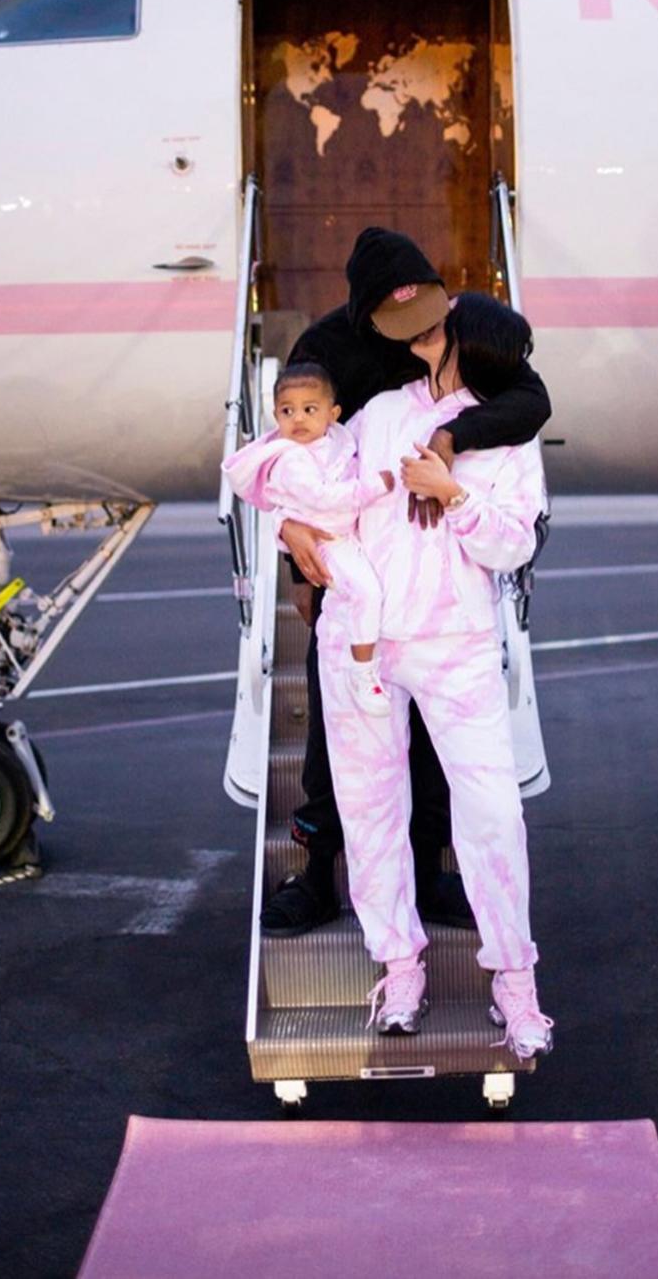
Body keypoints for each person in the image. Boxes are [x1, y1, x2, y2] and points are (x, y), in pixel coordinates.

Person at [264, 227, 551, 938]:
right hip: (353, 572)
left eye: (430, 314)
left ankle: (425, 877)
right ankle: (320, 875)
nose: (423, 332)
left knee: (427, 746)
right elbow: (288, 454)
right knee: (339, 749)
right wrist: (289, 544)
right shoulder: (324, 354)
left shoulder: (456, 325)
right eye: (405, 324)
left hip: (432, 583)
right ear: (364, 313)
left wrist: (456, 436)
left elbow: (530, 396)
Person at [317, 292, 553, 1059]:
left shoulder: (506, 433)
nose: (427, 330)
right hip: (364, 642)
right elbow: (317, 489)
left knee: (491, 812)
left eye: (444, 326)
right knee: (370, 808)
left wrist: (452, 494)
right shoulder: (379, 413)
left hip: (458, 641)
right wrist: (296, 530)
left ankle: (515, 980)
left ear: (467, 342)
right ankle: (399, 963)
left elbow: (514, 545)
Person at [221, 362, 395, 715]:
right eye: (288, 411)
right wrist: (375, 486)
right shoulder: (290, 459)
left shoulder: (336, 441)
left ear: (333, 414)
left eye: (309, 409)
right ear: (275, 415)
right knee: (366, 592)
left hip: (348, 533)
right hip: (326, 542)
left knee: (373, 595)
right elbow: (322, 498)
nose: (298, 419)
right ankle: (364, 673)